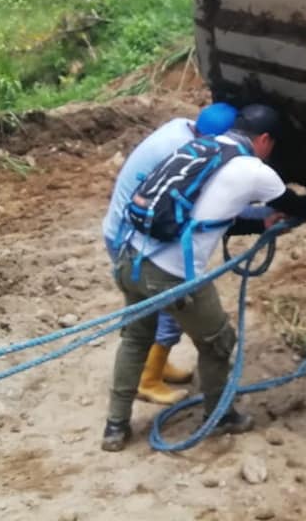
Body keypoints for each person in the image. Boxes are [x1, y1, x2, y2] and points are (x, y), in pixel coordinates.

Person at [102, 104, 306, 451]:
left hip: (129, 257)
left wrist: (260, 224)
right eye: (273, 145)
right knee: (219, 342)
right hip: (171, 275)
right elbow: (297, 207)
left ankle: (115, 427)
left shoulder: (201, 147)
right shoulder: (256, 171)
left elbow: (207, 215)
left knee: (135, 339)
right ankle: (220, 416)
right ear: (265, 139)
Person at [102, 103, 238, 405]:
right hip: (133, 239)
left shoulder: (180, 128)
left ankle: (157, 364)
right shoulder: (188, 153)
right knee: (169, 307)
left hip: (121, 229)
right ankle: (148, 379)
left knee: (152, 312)